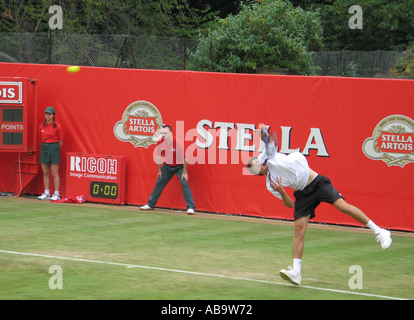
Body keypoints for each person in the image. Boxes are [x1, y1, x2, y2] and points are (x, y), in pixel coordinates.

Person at [246, 123, 392, 285]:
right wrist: (281, 191)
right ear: (258, 173)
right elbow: (289, 204)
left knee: (342, 207)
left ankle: (380, 232)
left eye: (256, 163)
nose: (257, 165)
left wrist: (261, 129)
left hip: (316, 182)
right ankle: (296, 273)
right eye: (255, 168)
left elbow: (264, 135)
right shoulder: (270, 184)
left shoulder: (267, 155)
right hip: (302, 193)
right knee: (298, 231)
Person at [140, 124, 196, 214]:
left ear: (170, 133)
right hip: (167, 166)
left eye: (165, 133)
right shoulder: (160, 142)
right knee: (159, 183)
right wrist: (159, 170)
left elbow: (185, 158)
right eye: (162, 133)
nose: (163, 135)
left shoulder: (177, 143)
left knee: (184, 182)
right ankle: (150, 204)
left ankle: (191, 207)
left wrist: (184, 172)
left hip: (179, 166)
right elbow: (158, 156)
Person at [38, 106, 63, 201]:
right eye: (46, 114)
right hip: (44, 148)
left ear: (53, 115)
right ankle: (47, 192)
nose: (47, 116)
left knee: (55, 173)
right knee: (45, 172)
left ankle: (56, 193)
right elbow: (41, 138)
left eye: (49, 114)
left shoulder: (58, 126)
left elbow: (60, 140)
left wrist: (56, 150)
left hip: (54, 148)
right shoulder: (41, 126)